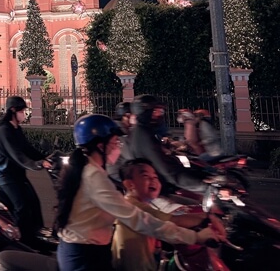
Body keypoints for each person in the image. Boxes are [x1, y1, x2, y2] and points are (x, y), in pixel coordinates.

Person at [55, 115, 218, 271]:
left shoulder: (91, 170)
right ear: (100, 146)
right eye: (114, 142)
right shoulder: (93, 176)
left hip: (90, 251)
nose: (118, 146)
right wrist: (195, 237)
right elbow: (138, 219)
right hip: (84, 258)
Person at [112, 158, 225, 270]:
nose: (153, 180)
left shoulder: (141, 204)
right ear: (129, 184)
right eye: (146, 176)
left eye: (155, 177)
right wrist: (207, 220)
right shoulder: (131, 205)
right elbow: (171, 221)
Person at [0, 96, 47, 246]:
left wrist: (47, 159)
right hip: (4, 174)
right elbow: (17, 155)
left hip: (17, 173)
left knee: (34, 202)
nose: (24, 113)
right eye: (22, 110)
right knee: (21, 206)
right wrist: (37, 164)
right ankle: (25, 241)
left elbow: (27, 149)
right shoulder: (4, 130)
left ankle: (38, 234)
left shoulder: (16, 129)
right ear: (13, 110)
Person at [125, 95, 207, 193]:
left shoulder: (145, 132)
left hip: (161, 188)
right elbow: (168, 172)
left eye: (161, 111)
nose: (160, 115)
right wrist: (203, 185)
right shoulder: (143, 135)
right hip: (157, 192)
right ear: (145, 113)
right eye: (156, 111)